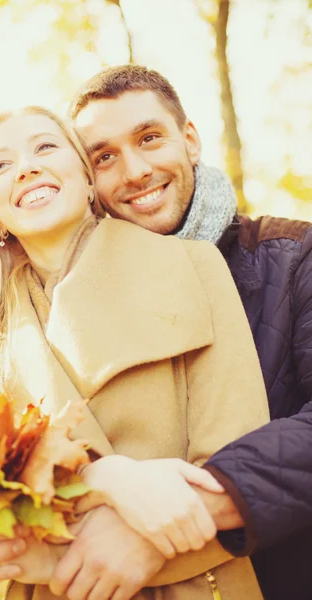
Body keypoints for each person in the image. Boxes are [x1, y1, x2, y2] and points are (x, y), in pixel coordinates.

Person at [0, 105, 270, 600]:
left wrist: (64, 549)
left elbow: (236, 471)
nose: (26, 167)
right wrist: (102, 478)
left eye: (45, 146)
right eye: (0, 164)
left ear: (87, 180)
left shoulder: (193, 266)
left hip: (195, 582)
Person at [66, 64, 312, 600]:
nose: (134, 170)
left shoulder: (295, 257)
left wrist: (168, 522)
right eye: (103, 156)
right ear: (87, 181)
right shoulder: (70, 301)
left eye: (150, 138)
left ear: (191, 140)